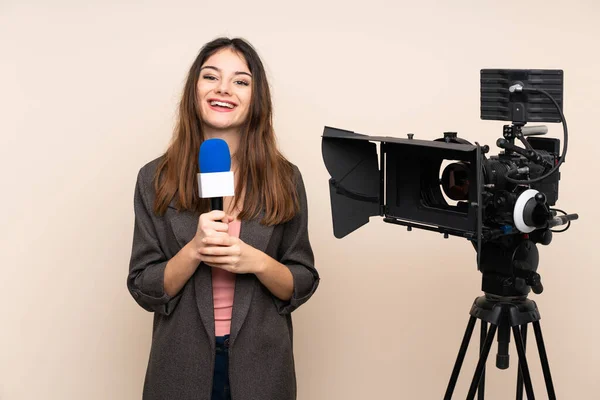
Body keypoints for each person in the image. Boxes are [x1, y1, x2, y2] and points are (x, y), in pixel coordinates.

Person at [127, 37, 320, 400]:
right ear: (193, 90)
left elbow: (303, 280)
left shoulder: (285, 178)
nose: (224, 89)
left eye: (241, 81)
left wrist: (257, 262)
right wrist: (194, 250)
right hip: (180, 368)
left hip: (262, 370)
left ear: (256, 98)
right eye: (210, 77)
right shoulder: (154, 179)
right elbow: (143, 285)